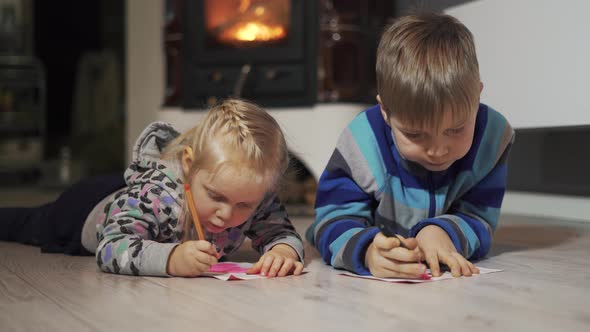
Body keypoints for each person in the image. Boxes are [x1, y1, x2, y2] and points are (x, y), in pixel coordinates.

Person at [306, 12, 514, 279]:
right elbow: (331, 220)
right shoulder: (362, 142)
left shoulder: (492, 138)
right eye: (415, 135)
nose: (438, 150)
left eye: (456, 129)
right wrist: (367, 250)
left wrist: (440, 232)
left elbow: (480, 218)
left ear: (477, 98)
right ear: (386, 113)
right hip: (374, 240)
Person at [1, 99, 304, 278]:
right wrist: (171, 260)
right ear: (188, 165)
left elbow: (281, 232)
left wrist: (283, 250)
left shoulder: (254, 194)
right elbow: (111, 247)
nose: (227, 214)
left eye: (244, 205)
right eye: (216, 196)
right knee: (28, 223)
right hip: (83, 211)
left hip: (126, 198)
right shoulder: (157, 198)